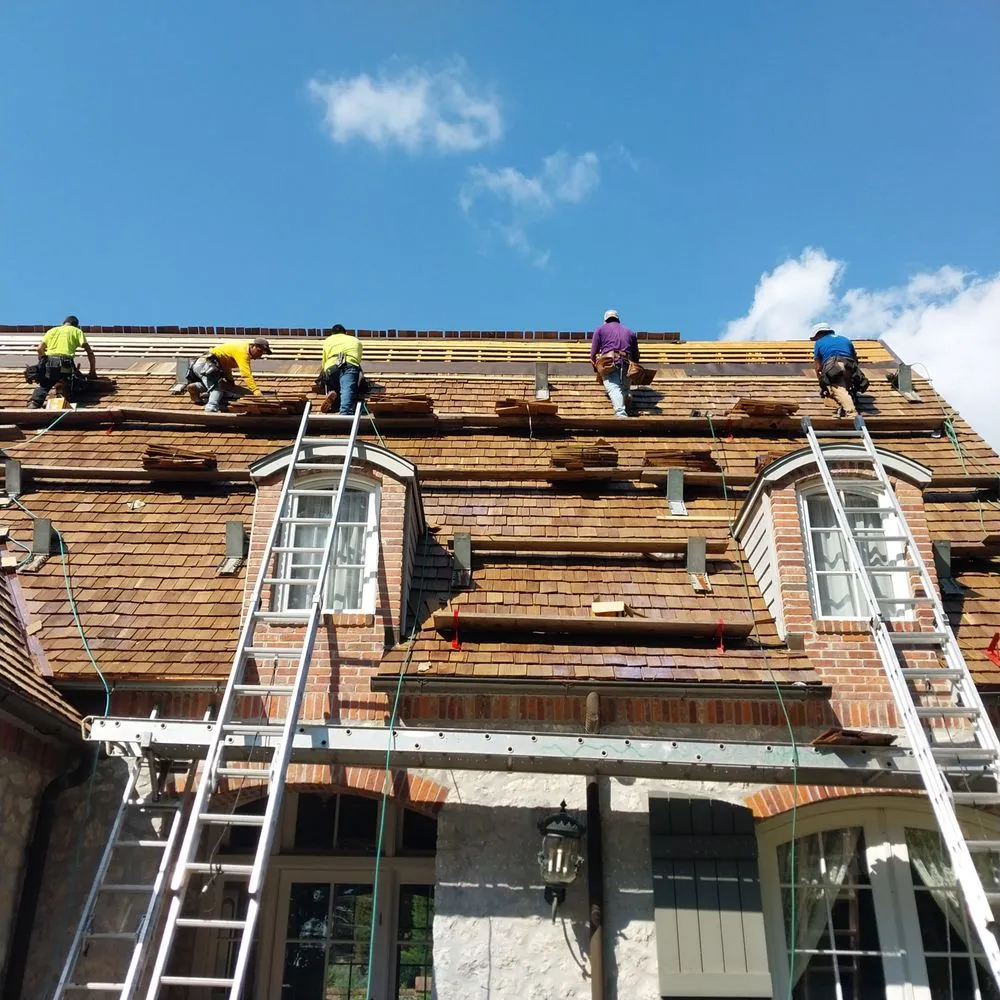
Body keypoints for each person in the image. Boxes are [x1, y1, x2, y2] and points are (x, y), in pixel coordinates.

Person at [28, 315, 97, 408]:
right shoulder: (76, 331)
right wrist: (92, 371)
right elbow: (89, 352)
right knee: (72, 385)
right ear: (76, 325)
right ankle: (63, 399)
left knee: (44, 385)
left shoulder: (52, 331)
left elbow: (39, 349)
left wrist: (43, 362)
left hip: (49, 364)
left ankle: (34, 404)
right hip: (65, 365)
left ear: (63, 323)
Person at [186, 337, 272, 412]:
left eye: (262, 353)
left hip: (201, 364)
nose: (260, 355)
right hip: (207, 365)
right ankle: (210, 409)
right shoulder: (243, 352)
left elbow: (226, 366)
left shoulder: (242, 348)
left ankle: (196, 387)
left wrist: (230, 380)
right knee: (217, 390)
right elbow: (246, 374)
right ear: (254, 346)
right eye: (259, 351)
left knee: (214, 384)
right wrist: (256, 391)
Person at [590, 309, 638, 418]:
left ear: (605, 320)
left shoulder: (600, 330)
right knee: (624, 388)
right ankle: (627, 398)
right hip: (627, 363)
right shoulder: (630, 332)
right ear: (618, 319)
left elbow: (593, 353)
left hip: (610, 363)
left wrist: (596, 367)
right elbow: (636, 355)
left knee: (613, 388)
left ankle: (621, 414)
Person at [811, 323, 860, 418]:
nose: (816, 339)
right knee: (845, 388)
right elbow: (856, 360)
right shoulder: (845, 339)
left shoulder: (819, 343)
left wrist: (822, 383)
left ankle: (852, 413)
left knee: (837, 389)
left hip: (834, 366)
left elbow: (818, 367)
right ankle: (843, 406)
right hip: (850, 365)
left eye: (816, 337)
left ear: (819, 333)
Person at [318, 324, 363, 415]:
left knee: (335, 385)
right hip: (349, 364)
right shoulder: (355, 340)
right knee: (347, 388)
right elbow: (358, 358)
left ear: (332, 333)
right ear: (345, 332)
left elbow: (324, 359)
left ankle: (333, 394)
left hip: (331, 366)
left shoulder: (328, 340)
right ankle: (345, 411)